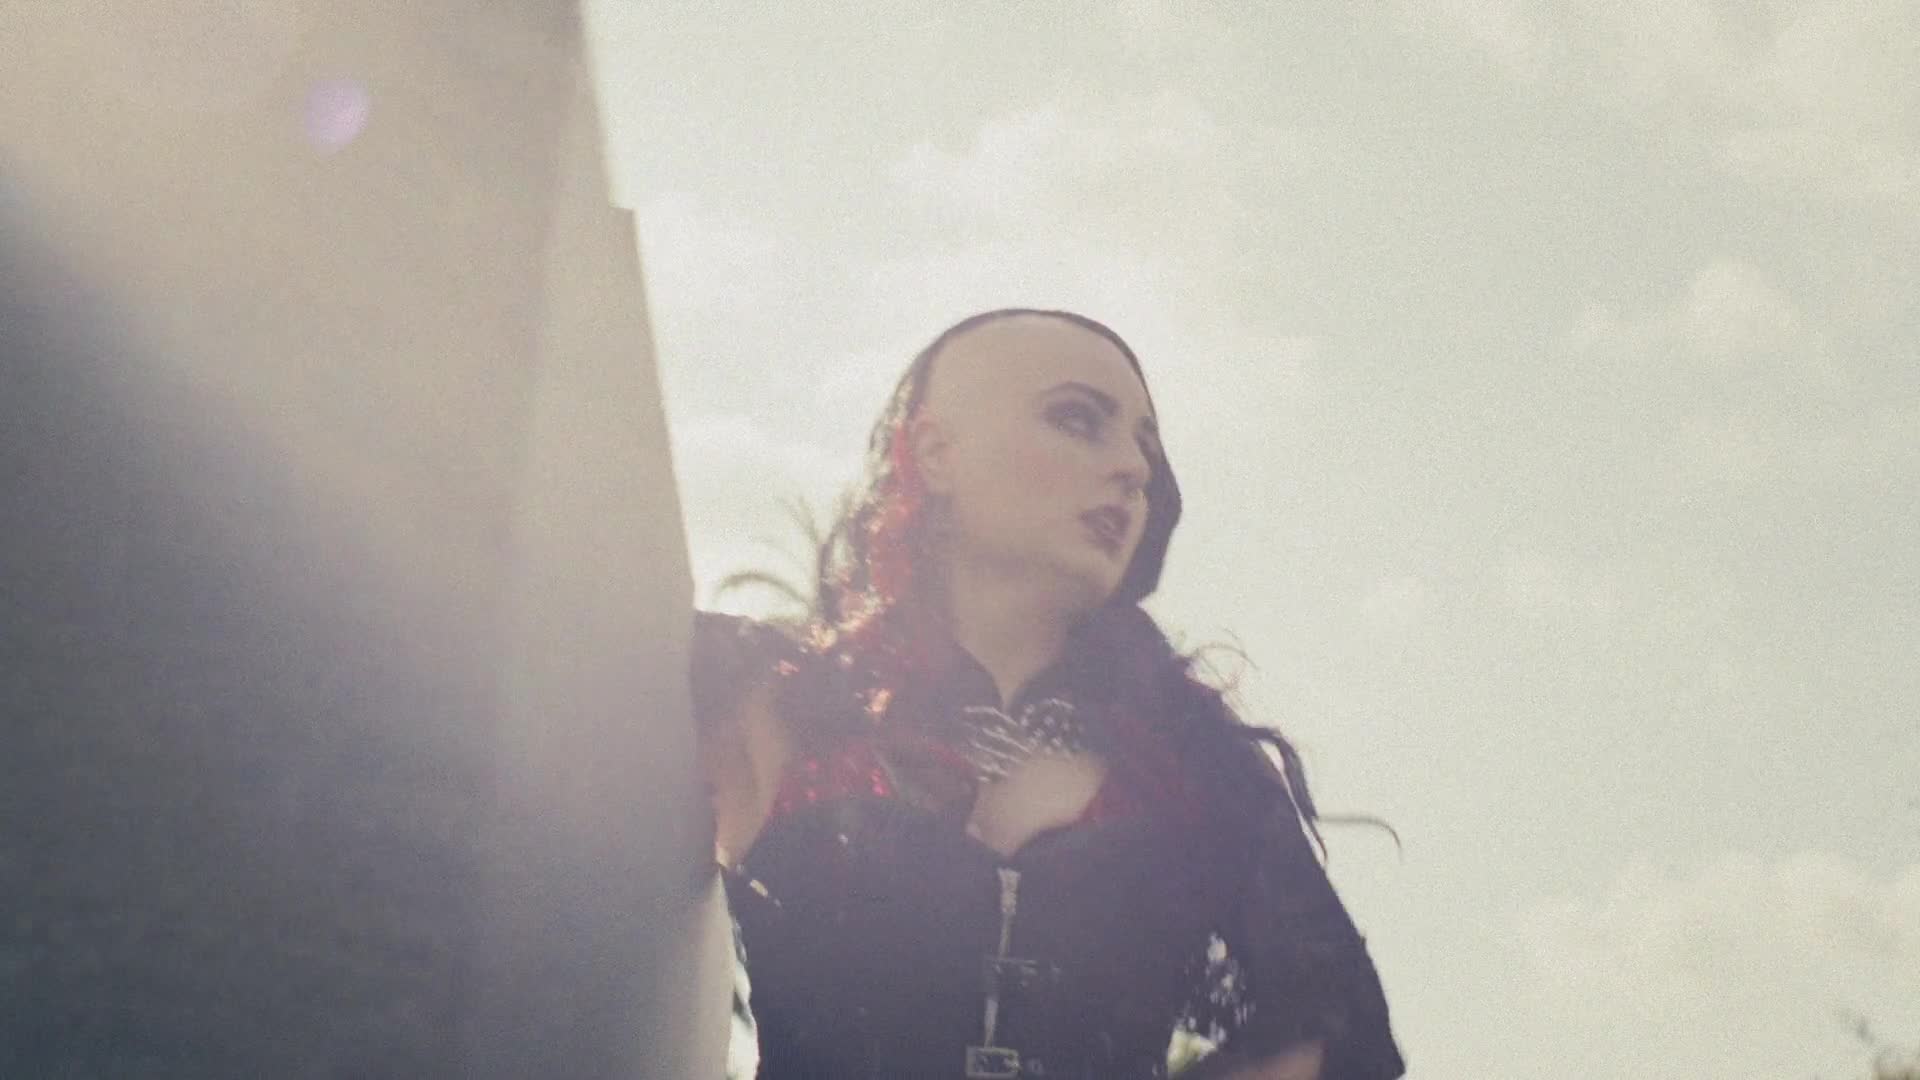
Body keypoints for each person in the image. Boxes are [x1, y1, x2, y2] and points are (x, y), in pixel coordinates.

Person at [691, 309, 1403, 1079]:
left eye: (1144, 447)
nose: (1131, 469)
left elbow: (1327, 1032)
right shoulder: (771, 701)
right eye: (1078, 420)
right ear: (935, 453)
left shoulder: (1198, 765)